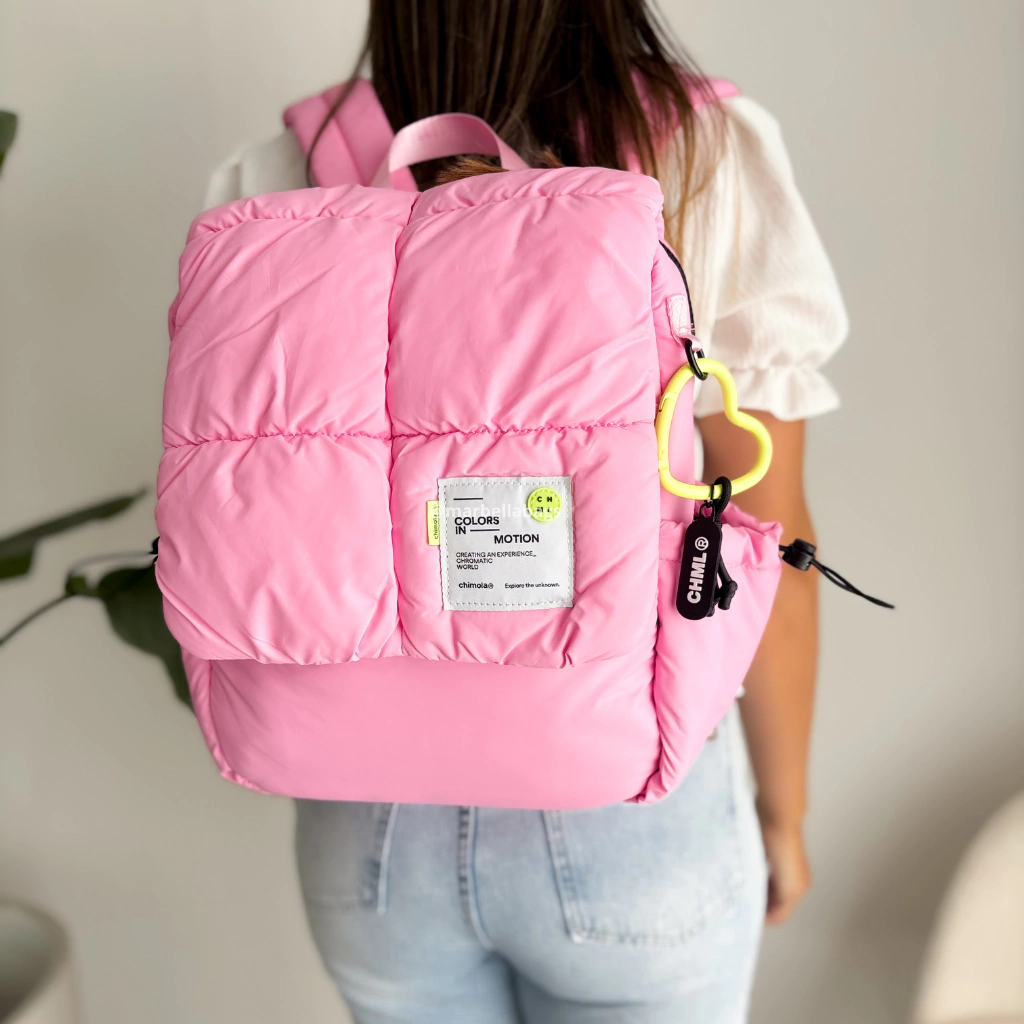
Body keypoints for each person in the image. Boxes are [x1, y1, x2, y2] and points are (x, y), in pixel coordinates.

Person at [203, 2, 846, 1020]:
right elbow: (762, 531)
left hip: (361, 820)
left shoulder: (281, 166)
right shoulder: (699, 154)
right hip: (626, 802)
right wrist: (785, 811)